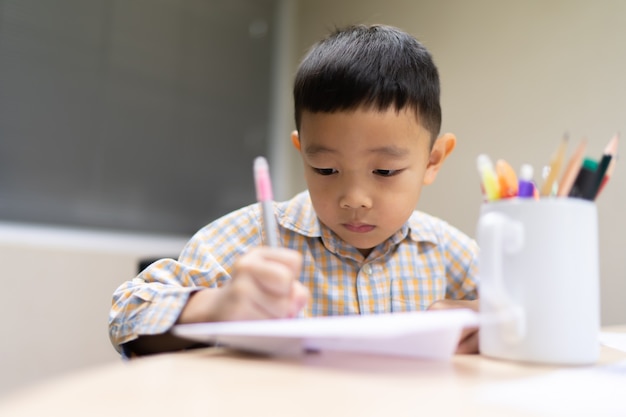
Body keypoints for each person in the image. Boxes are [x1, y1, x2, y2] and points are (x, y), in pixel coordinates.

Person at [109, 24, 479, 357]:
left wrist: (491, 321)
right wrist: (216, 306)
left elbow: (529, 310)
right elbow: (127, 312)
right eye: (326, 169)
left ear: (433, 160)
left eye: (384, 170)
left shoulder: (446, 250)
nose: (354, 197)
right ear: (302, 151)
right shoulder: (251, 238)